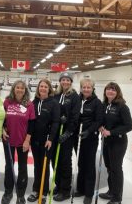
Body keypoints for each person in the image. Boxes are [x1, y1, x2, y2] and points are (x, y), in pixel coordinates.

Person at [1, 80, 35, 204]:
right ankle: (8, 192)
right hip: (8, 140)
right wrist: (2, 129)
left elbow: (31, 124)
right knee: (9, 166)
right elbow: (2, 119)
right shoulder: (7, 102)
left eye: (22, 88)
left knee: (22, 167)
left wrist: (27, 140)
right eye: (17, 88)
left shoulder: (29, 104)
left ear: (25, 90)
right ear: (13, 89)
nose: (19, 90)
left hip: (23, 141)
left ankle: (20, 194)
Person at [99, 82, 132, 204]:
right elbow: (101, 120)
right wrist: (101, 127)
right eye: (108, 89)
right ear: (105, 91)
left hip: (118, 142)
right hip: (106, 141)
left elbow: (129, 126)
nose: (110, 91)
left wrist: (111, 132)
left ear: (117, 92)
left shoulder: (122, 106)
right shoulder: (104, 105)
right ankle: (111, 191)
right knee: (109, 167)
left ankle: (117, 198)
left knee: (116, 168)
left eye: (113, 90)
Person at [27, 79, 60, 204]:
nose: (43, 88)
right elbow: (30, 121)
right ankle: (36, 190)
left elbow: (56, 122)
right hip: (35, 140)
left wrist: (51, 138)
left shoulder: (54, 103)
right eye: (41, 86)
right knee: (37, 166)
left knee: (45, 166)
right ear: (38, 88)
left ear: (49, 89)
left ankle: (44, 192)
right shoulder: (33, 103)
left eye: (46, 86)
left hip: (47, 141)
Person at [73, 79, 103, 204]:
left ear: (93, 88)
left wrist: (89, 131)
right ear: (80, 88)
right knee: (80, 163)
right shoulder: (77, 100)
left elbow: (98, 121)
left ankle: (89, 193)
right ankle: (80, 189)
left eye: (88, 87)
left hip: (90, 138)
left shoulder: (97, 103)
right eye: (84, 87)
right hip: (77, 137)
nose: (86, 89)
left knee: (89, 165)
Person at [52, 72, 81, 201]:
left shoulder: (74, 96)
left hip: (67, 135)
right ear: (60, 81)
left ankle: (65, 190)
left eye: (68, 80)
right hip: (55, 133)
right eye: (63, 80)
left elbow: (75, 117)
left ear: (71, 82)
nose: (65, 82)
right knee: (55, 160)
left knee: (65, 162)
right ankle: (58, 185)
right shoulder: (56, 95)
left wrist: (68, 132)